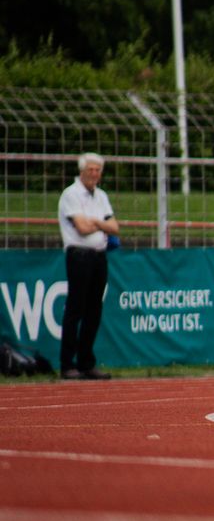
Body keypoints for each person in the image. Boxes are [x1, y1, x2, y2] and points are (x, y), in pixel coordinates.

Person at [57, 152, 120, 381]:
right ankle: (67, 364)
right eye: (90, 169)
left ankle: (86, 362)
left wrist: (94, 222)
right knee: (75, 308)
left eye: (97, 170)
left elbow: (114, 227)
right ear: (82, 171)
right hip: (79, 256)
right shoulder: (71, 195)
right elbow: (81, 229)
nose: (94, 174)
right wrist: (100, 224)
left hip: (99, 255)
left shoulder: (101, 196)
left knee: (94, 309)